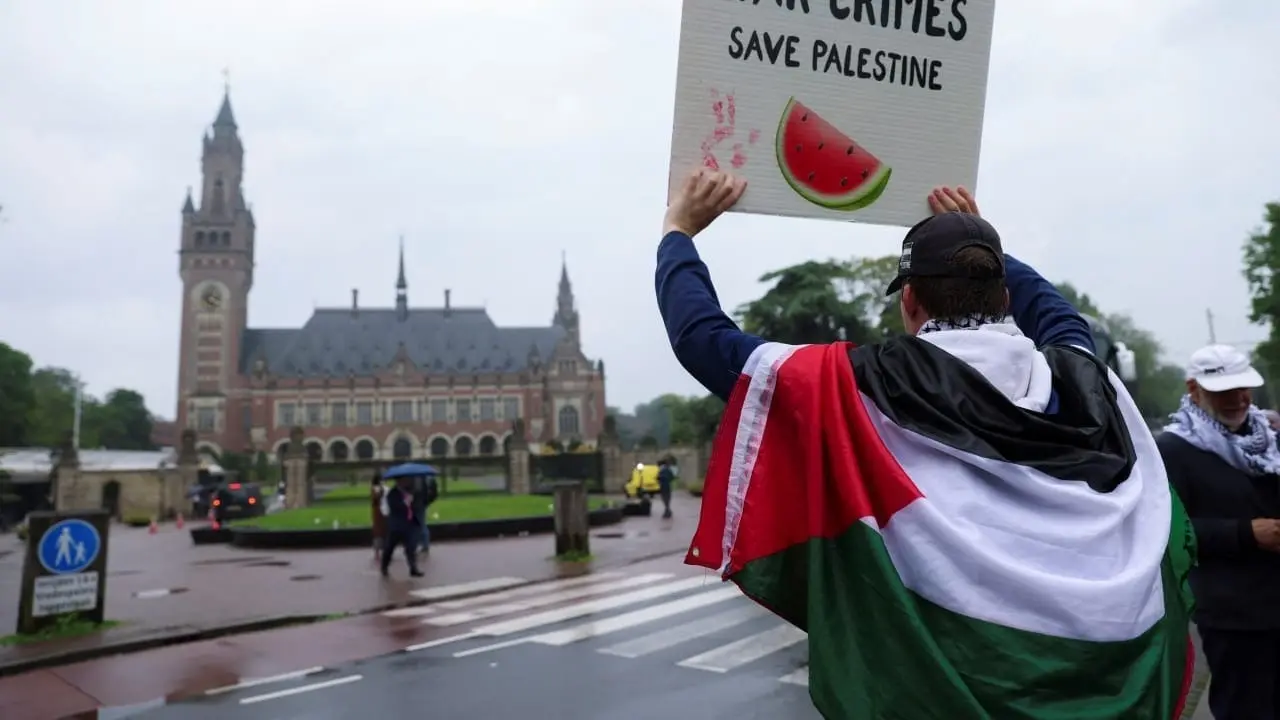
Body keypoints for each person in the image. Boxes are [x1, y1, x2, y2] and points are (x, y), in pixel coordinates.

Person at [659, 169, 1194, 718]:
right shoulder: (1083, 380)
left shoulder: (856, 387)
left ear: (909, 299)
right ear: (1006, 297)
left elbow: (703, 339)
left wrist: (679, 233)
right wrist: (982, 242)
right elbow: (1059, 317)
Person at [1160, 344, 1280, 719]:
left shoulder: (1270, 439)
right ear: (1193, 389)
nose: (1238, 399)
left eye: (1243, 388)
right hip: (1233, 615)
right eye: (1225, 391)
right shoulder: (1173, 449)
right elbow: (1168, 532)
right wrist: (1245, 533)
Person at [381, 475, 424, 578]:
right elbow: (394, 507)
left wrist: (413, 502)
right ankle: (384, 566)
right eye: (405, 480)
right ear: (399, 481)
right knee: (390, 547)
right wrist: (405, 502)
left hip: (409, 524)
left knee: (411, 547)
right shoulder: (392, 493)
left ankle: (413, 568)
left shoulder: (411, 492)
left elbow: (417, 505)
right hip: (397, 525)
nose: (407, 482)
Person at [369, 472, 388, 563]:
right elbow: (376, 498)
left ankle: (385, 550)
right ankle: (377, 552)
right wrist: (381, 491)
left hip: (384, 512)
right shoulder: (374, 489)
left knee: (385, 531)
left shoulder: (384, 488)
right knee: (378, 532)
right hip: (378, 513)